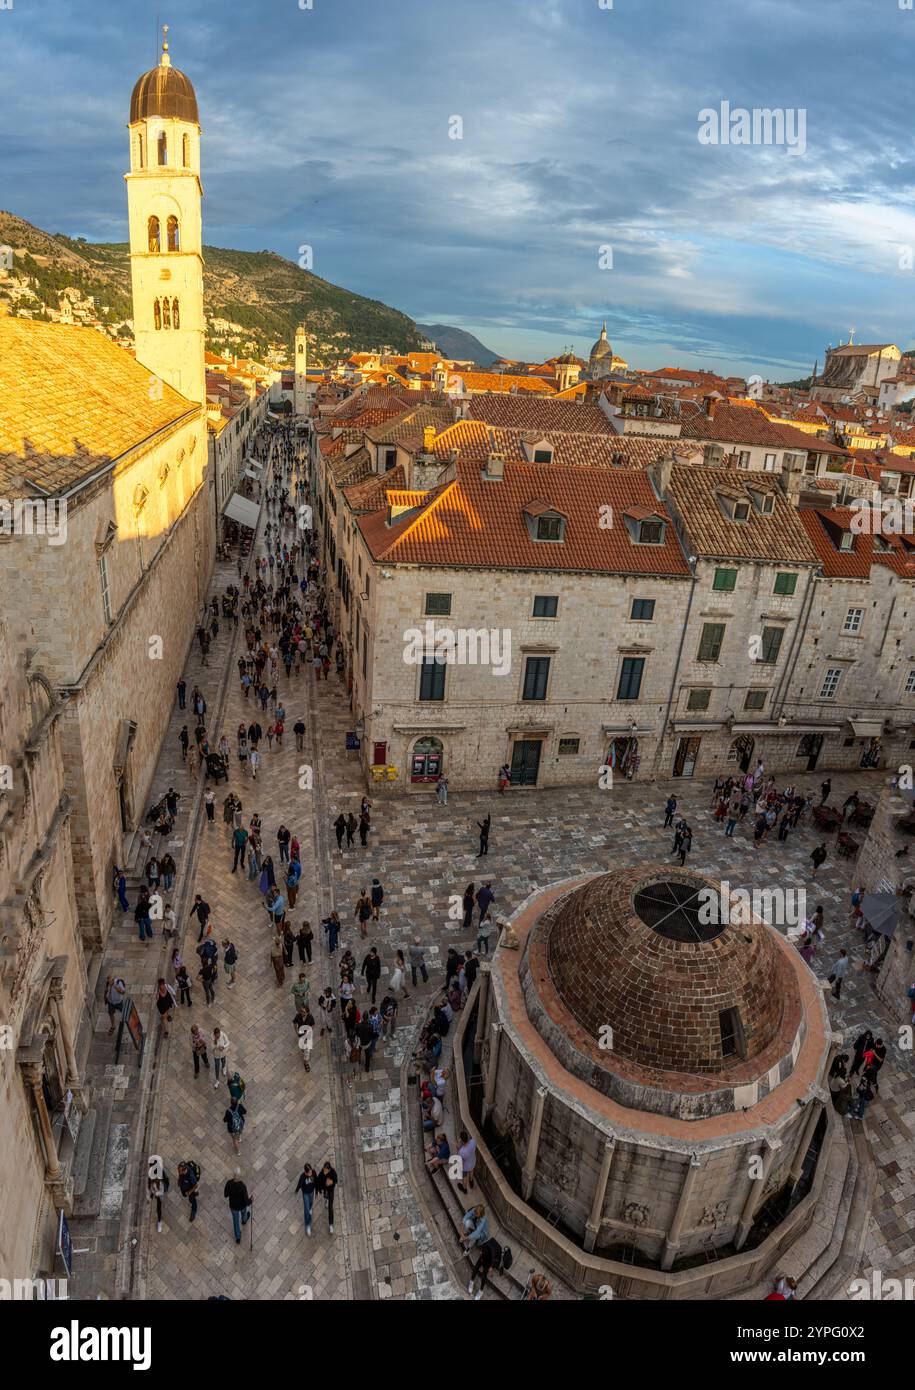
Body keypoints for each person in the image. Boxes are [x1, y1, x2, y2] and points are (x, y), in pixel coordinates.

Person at [224, 1168, 252, 1245]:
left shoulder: (229, 1184)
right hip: (242, 1206)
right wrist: (251, 1200)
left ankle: (238, 1238)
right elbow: (246, 1201)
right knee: (244, 1213)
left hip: (233, 1207)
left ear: (234, 1175)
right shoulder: (243, 1186)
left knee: (236, 1222)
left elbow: (225, 1195)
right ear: (239, 1176)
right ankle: (244, 1220)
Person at [315, 1161, 338, 1234]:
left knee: (330, 1208)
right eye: (324, 1169)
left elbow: (336, 1180)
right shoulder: (322, 1173)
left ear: (329, 1169)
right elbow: (318, 1181)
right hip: (325, 1191)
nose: (324, 1171)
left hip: (330, 1191)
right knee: (326, 1197)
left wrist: (331, 1182)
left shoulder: (333, 1172)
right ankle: (327, 1200)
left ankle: (331, 1224)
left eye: (325, 1170)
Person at [295, 1163, 317, 1236]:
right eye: (309, 1173)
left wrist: (316, 1191)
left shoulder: (313, 1172)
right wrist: (297, 1190)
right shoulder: (303, 1177)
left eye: (311, 1171)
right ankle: (308, 1225)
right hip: (305, 1194)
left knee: (310, 1204)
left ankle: (310, 1208)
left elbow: (316, 1181)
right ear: (305, 1172)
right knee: (306, 1210)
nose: (310, 1173)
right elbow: (299, 1184)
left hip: (311, 1192)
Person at [148, 1168, 170, 1234]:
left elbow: (161, 1191)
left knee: (158, 1208)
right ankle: (159, 1221)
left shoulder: (161, 1182)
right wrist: (152, 1194)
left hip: (159, 1194)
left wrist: (155, 1193)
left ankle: (159, 1222)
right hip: (156, 1192)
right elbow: (151, 1187)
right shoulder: (152, 1178)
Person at [457, 1129, 477, 1195]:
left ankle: (464, 1189)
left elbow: (460, 1159)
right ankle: (471, 1182)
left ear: (461, 1140)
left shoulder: (461, 1151)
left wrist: (458, 1148)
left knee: (464, 1177)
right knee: (471, 1171)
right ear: (468, 1137)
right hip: (473, 1161)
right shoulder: (473, 1142)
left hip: (465, 1167)